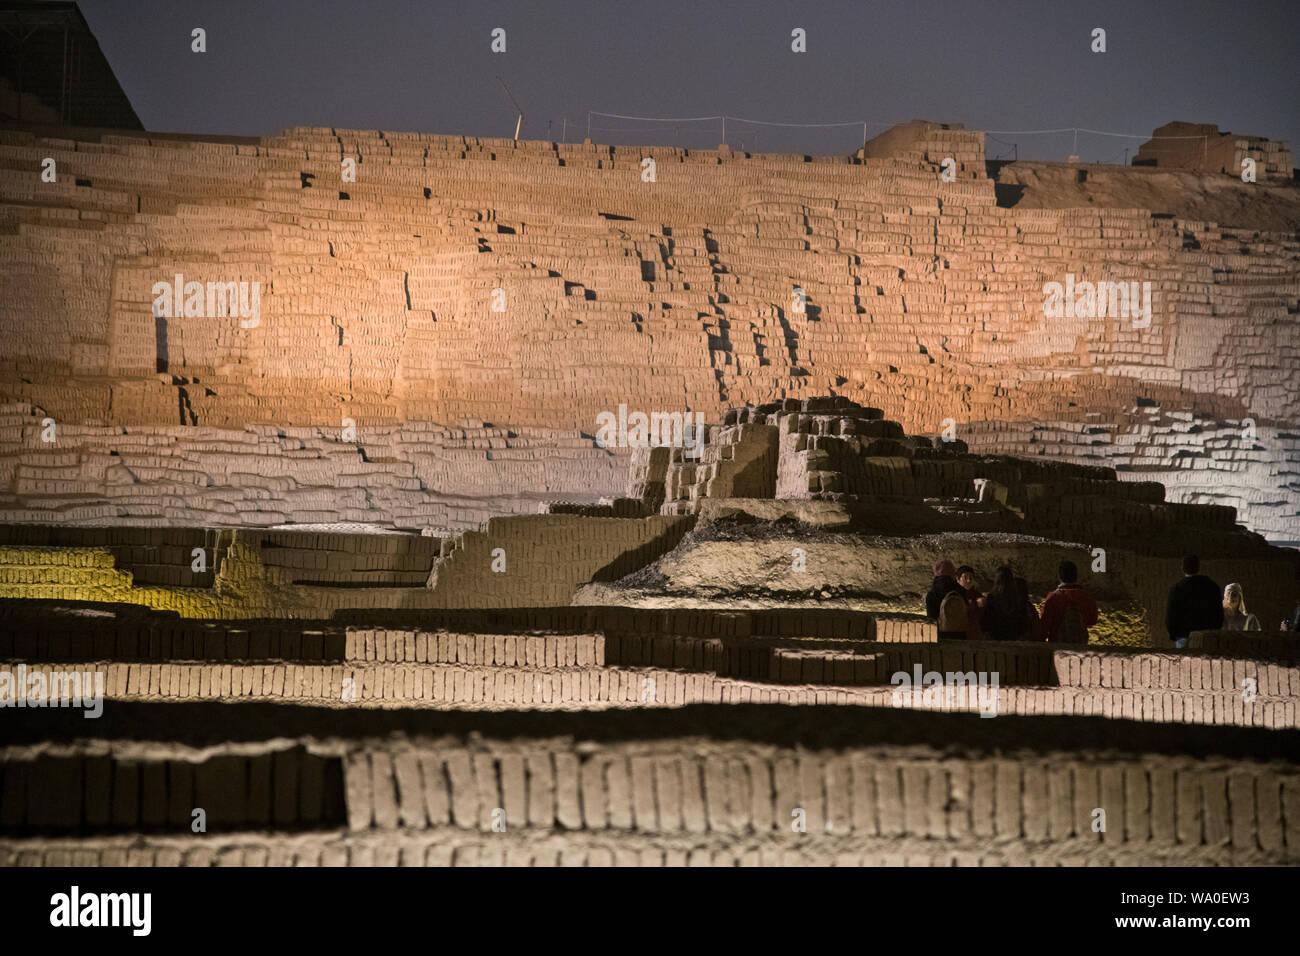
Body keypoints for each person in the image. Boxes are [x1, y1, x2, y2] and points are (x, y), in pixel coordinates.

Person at [1165, 554, 1223, 649]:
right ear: (1198, 567)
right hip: (1206, 637)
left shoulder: (1177, 589)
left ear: (1182, 568)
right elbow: (1218, 614)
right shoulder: (1211, 587)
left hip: (1183, 637)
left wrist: (1174, 635)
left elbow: (1170, 616)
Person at [1040, 559, 1098, 643]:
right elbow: (1092, 621)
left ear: (1059, 576)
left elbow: (1045, 626)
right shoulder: (1087, 597)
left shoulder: (1053, 597)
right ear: (1076, 576)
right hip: (1080, 648)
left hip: (1058, 646)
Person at [980, 565, 1027, 641]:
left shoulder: (992, 596)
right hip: (1012, 635)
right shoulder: (1016, 596)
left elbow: (986, 618)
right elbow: (1022, 616)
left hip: (995, 635)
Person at [956, 565, 983, 640]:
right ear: (958, 579)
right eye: (965, 577)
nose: (969, 580)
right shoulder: (954, 596)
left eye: (971, 577)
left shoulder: (978, 596)